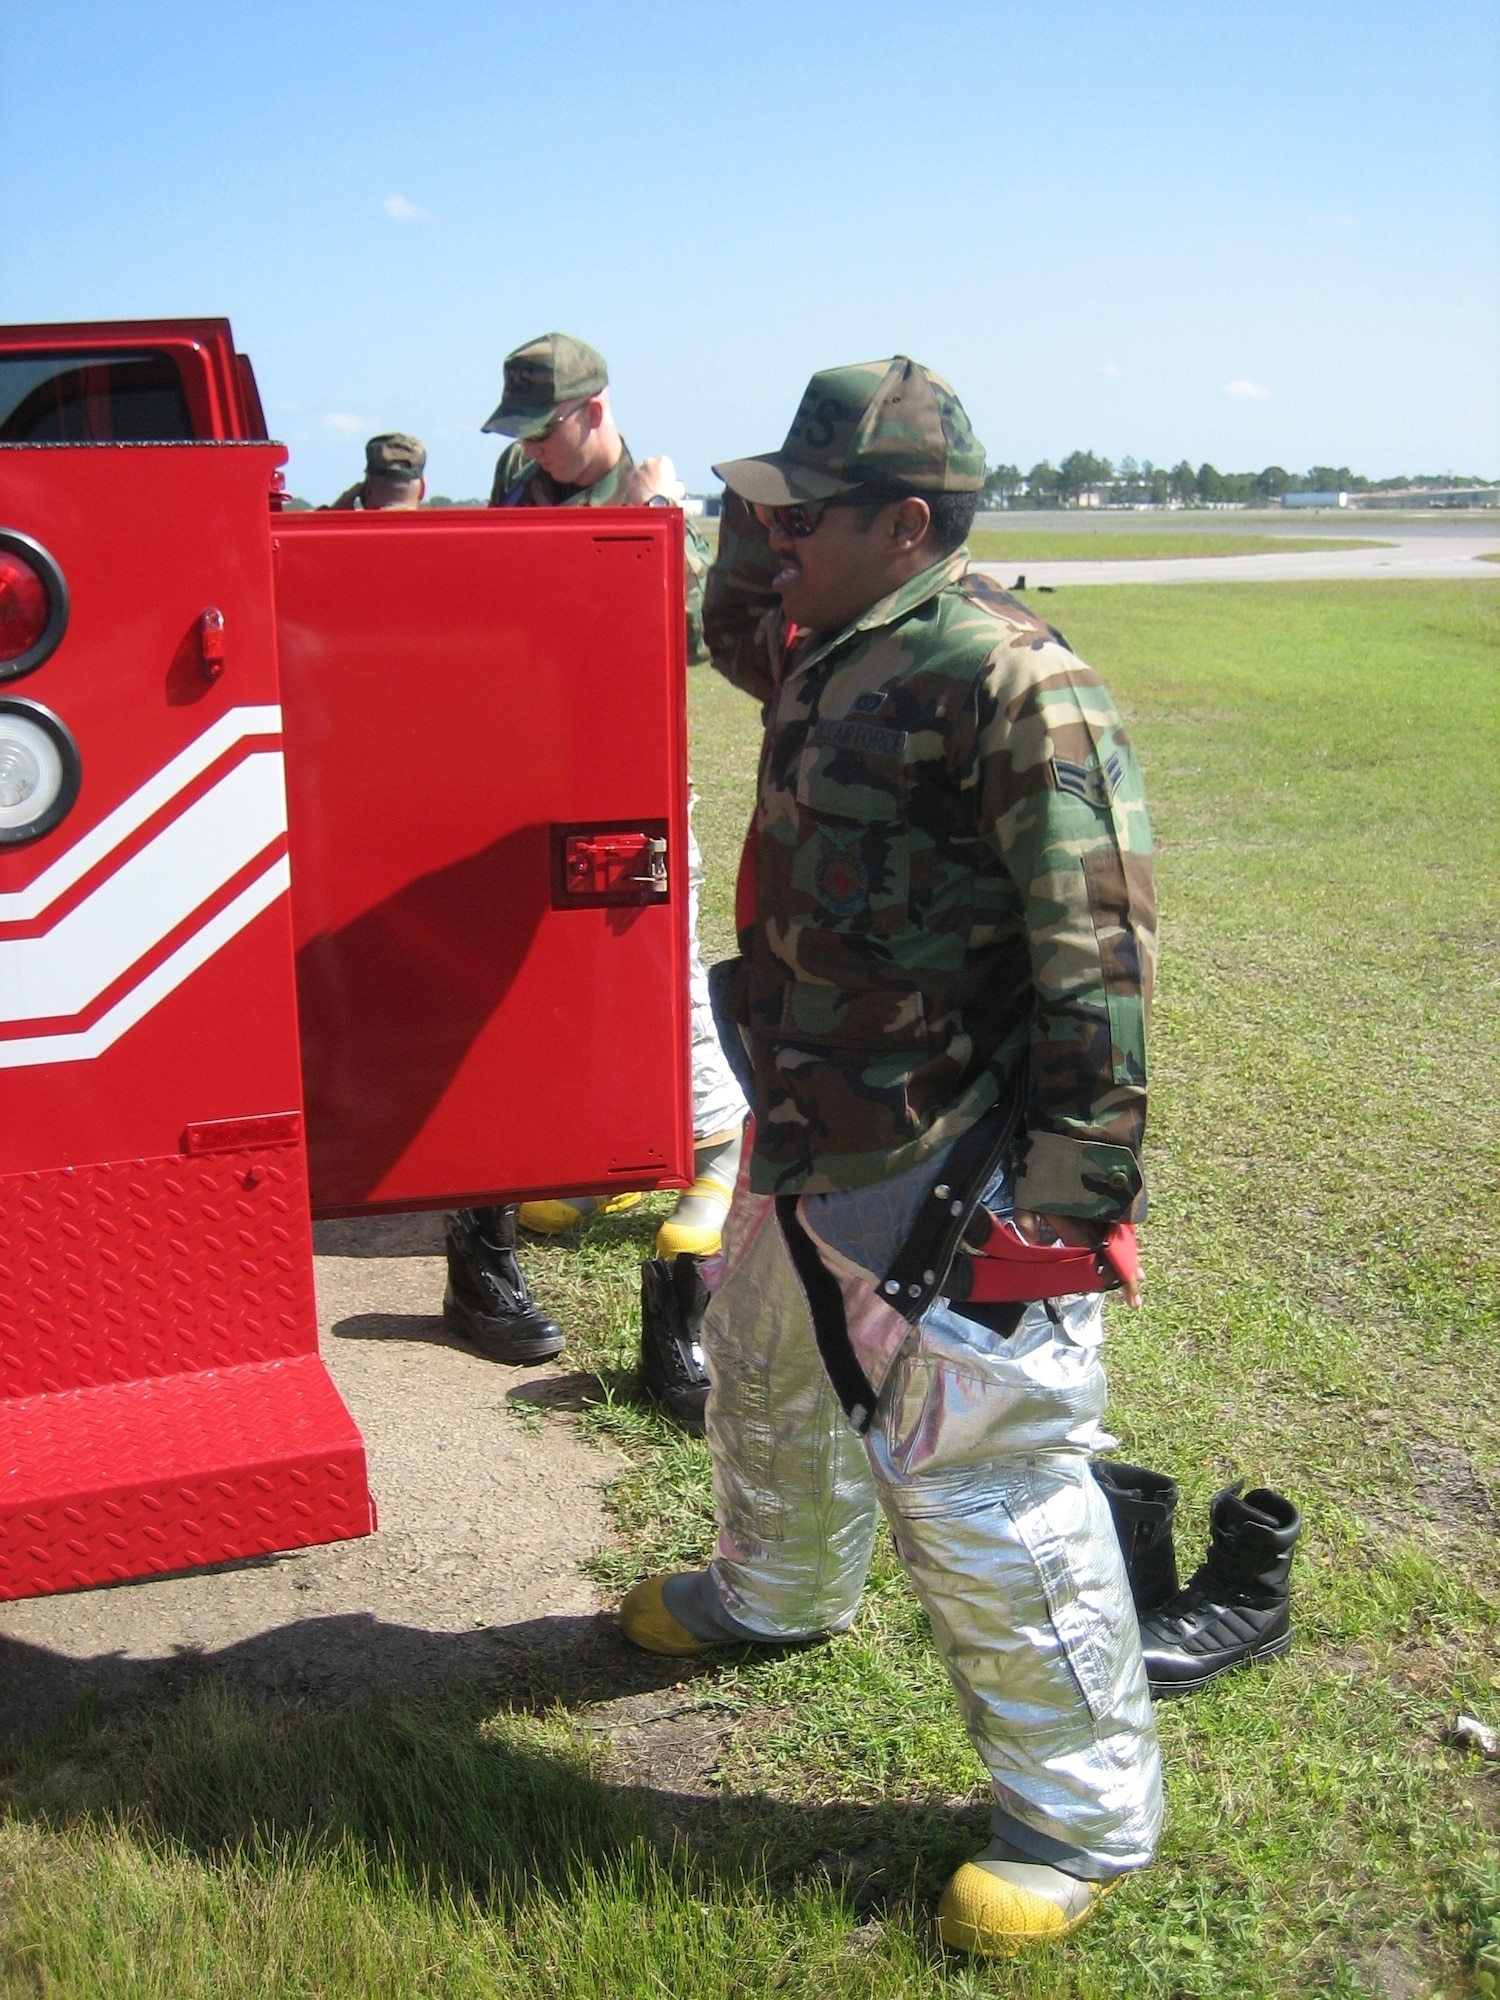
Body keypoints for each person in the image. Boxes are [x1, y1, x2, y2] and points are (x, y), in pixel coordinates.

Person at [618, 357, 1164, 1953]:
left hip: (946, 1152)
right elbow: (731, 633)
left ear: (906, 521)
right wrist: (741, 515)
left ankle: (1078, 1815)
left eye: (810, 508)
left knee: (989, 1483)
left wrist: (1073, 1186)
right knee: (766, 1376)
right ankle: (774, 1592)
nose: (780, 535)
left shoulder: (1012, 678)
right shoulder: (827, 641)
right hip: (802, 1124)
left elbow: (1099, 941)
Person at [441, 334, 748, 1365]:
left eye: (543, 429)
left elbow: (697, 640)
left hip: (633, 781)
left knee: (659, 973)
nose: (529, 449)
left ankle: (714, 1155)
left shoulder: (651, 493)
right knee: (552, 983)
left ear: (594, 411)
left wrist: (660, 527)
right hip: (533, 776)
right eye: (517, 432)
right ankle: (593, 1150)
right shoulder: (517, 484)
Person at [325, 432, 427, 510]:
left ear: (367, 486)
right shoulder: (437, 528)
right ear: (423, 488)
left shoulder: (334, 535)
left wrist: (332, 518)